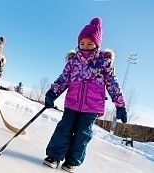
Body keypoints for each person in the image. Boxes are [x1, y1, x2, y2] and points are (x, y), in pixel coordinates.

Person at [43, 17, 128, 172]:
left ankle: (72, 161)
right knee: (64, 128)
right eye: (82, 43)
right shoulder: (73, 61)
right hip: (72, 103)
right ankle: (54, 156)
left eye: (90, 44)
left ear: (97, 44)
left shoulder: (103, 62)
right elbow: (63, 79)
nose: (85, 47)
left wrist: (120, 105)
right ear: (78, 43)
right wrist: (52, 93)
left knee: (82, 135)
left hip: (91, 108)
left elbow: (113, 84)